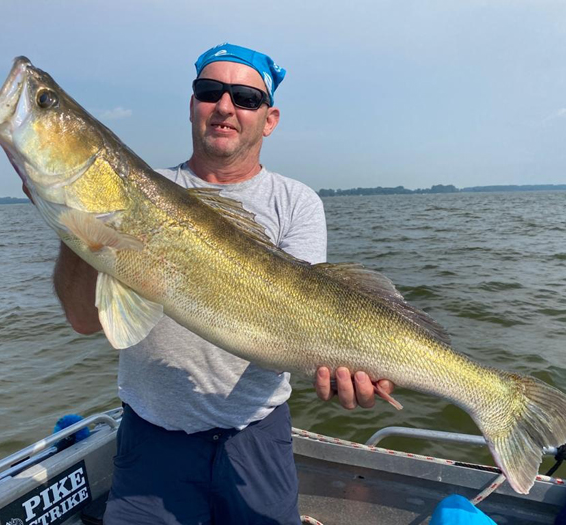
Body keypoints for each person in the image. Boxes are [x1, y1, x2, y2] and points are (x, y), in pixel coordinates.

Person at [47, 43, 395, 524]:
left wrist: (344, 368)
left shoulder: (296, 202)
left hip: (257, 435)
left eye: (246, 98)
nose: (225, 106)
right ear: (193, 105)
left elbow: (305, 324)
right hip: (150, 437)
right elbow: (85, 320)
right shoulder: (137, 191)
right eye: (210, 91)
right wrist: (77, 222)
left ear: (269, 119)